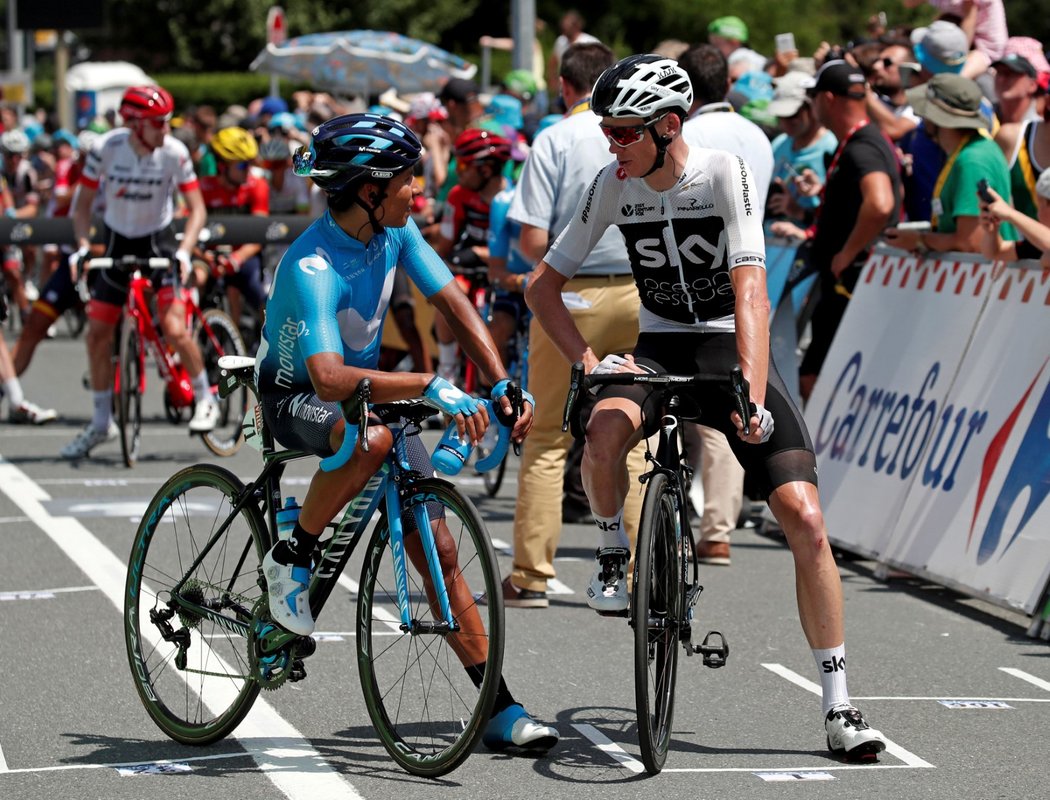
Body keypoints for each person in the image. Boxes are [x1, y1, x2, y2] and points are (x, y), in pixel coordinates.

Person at [526, 51, 888, 760]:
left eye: (624, 132)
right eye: (605, 131)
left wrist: (751, 394)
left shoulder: (723, 172)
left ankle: (840, 707)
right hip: (658, 347)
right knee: (601, 434)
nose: (611, 145)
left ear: (667, 126)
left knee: (805, 519)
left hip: (728, 347)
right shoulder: (612, 184)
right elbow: (543, 286)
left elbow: (751, 287)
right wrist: (594, 364)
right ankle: (609, 552)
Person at [256, 111, 558, 752]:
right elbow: (331, 378)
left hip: (362, 389)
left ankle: (496, 707)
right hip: (297, 393)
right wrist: (427, 384)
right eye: (408, 180)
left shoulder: (393, 231)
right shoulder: (311, 263)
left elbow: (452, 301)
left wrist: (500, 380)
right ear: (369, 188)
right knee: (369, 441)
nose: (418, 191)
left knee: (442, 552)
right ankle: (293, 556)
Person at [503, 42, 646, 608]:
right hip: (641, 293)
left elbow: (532, 242)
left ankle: (532, 576)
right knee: (636, 435)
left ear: (565, 85)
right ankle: (643, 570)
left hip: (570, 294)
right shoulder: (639, 127)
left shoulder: (555, 138)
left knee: (546, 439)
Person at [60, 85, 213, 460]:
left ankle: (205, 397)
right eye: (157, 123)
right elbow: (81, 208)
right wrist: (82, 246)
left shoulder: (174, 153)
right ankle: (101, 422)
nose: (165, 130)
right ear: (133, 125)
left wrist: (183, 250)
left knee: (174, 327)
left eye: (166, 122)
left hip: (159, 242)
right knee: (97, 333)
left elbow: (197, 210)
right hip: (117, 241)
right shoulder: (106, 149)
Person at [677, 41, 775, 565]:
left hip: (691, 276)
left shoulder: (687, 134)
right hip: (749, 276)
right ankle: (719, 525)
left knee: (677, 399)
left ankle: (671, 516)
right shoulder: (757, 135)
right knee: (729, 399)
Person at [773, 61, 901, 402]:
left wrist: (848, 251)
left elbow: (880, 204)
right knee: (815, 373)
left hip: (852, 281)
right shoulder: (859, 140)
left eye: (813, 98)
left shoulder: (862, 144)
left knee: (814, 376)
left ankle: (819, 454)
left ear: (826, 99)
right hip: (848, 282)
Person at [885, 73, 1017, 255]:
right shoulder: (967, 152)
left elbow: (971, 242)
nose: (921, 118)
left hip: (982, 280)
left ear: (940, 119)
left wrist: (919, 240)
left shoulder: (972, 160)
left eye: (925, 112)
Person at [431, 128, 512, 383]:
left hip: (501, 274)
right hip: (465, 268)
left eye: (464, 165)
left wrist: (482, 253)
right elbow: (445, 243)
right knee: (451, 300)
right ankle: (447, 368)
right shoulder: (458, 195)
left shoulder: (514, 199)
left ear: (486, 170)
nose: (458, 171)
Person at [196, 126, 269, 332]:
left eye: (250, 163)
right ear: (222, 166)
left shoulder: (257, 185)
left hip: (244, 254)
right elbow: (187, 228)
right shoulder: (204, 188)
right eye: (242, 165)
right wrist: (203, 255)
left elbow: (260, 233)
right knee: (196, 280)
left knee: (261, 295)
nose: (248, 170)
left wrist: (237, 257)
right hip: (209, 254)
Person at [766, 72, 838, 225]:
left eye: (792, 114)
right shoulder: (779, 143)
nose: (785, 123)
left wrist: (797, 211)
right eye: (780, 115)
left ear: (811, 106)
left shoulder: (832, 148)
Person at [978, 167, 1050, 264]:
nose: (1038, 213)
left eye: (1040, 204)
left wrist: (1010, 214)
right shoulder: (1039, 244)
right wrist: (992, 232)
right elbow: (996, 252)